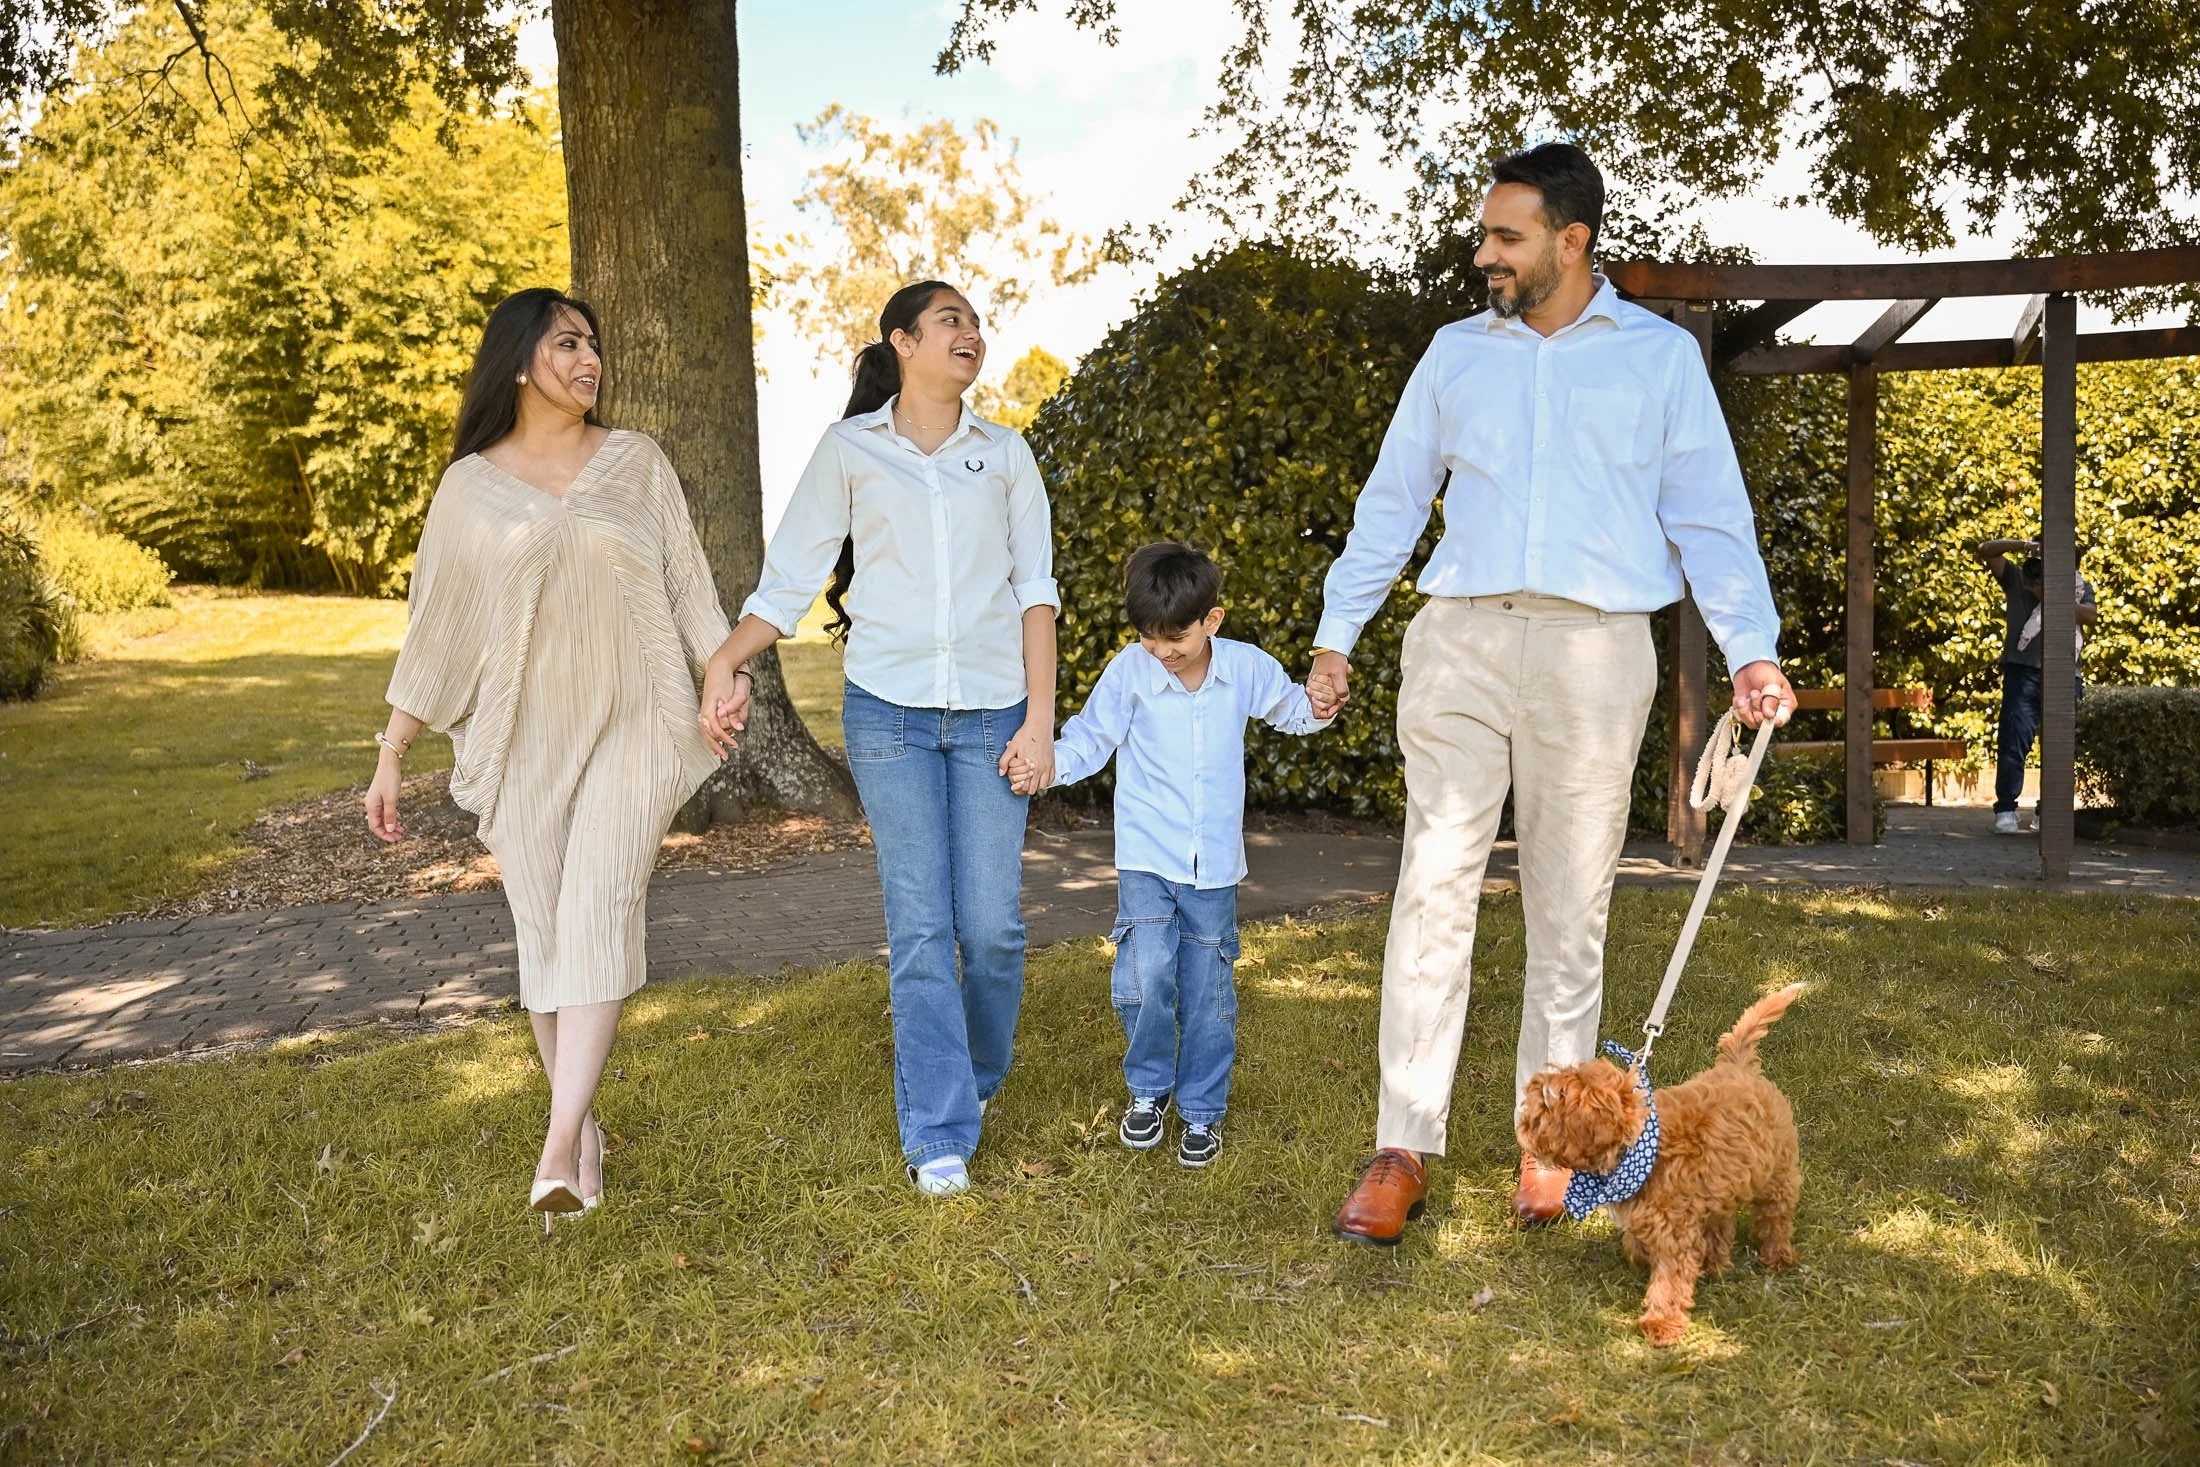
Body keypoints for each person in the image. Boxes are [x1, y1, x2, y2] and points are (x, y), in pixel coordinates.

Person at [1307, 143, 1796, 1245]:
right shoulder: (1452, 356)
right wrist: (1338, 635)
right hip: (1459, 643)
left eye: (1505, 237)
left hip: (1594, 649)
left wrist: (1749, 651)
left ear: (1572, 242)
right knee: (1432, 885)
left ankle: (1547, 1149)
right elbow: (1390, 505)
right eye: (1486, 235)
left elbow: (1711, 517)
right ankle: (1402, 1144)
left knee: (1569, 904)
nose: (1484, 254)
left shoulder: (1659, 362)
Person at [365, 288, 733, 1228]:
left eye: (595, 345)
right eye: (570, 343)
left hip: (637, 719)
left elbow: (687, 576)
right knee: (545, 925)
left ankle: (559, 1142)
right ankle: (584, 1130)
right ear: (521, 359)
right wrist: (395, 747)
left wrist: (721, 669)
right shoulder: (471, 486)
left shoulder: (637, 463)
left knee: (599, 901)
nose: (590, 359)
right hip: (524, 735)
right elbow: (437, 626)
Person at [697, 282, 1058, 1198]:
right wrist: (727, 659)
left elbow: (1036, 596)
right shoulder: (850, 449)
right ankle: (939, 1125)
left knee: (994, 928)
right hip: (888, 714)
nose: (970, 333)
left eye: (976, 322)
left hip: (990, 715)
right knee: (924, 926)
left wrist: (1041, 721)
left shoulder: (1008, 455)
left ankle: (966, 1078)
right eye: (950, 321)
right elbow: (790, 578)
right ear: (902, 341)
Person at [1008, 543, 1332, 1169]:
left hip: (1213, 866)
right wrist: (1045, 766)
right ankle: (1149, 1089)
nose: (1161, 651)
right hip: (1147, 858)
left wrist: (1319, 704)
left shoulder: (1245, 669)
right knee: (1147, 974)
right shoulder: (1131, 672)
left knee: (1208, 987)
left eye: (1175, 638)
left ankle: (1203, 1110)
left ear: (1211, 621)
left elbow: (1294, 711)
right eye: (1149, 638)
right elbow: (1091, 738)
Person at [1973, 537, 2097, 834]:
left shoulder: (2078, 585)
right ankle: (2006, 809)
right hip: (2022, 671)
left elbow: (2090, 616)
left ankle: (2048, 812)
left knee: (2059, 746)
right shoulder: (2018, 578)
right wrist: (2022, 545)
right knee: (2014, 741)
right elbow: (1986, 551)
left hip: (2065, 674)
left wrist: (2053, 596)